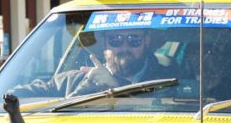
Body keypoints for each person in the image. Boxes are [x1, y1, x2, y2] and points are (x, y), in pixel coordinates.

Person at [14, 28, 177, 98]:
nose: (124, 47)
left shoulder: (172, 81)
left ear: (146, 41)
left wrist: (116, 86)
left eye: (134, 40)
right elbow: (11, 97)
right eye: (116, 40)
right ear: (104, 43)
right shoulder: (69, 81)